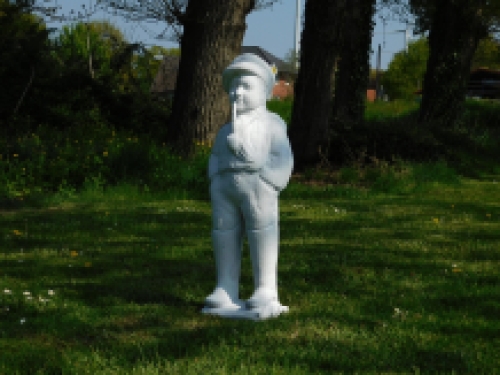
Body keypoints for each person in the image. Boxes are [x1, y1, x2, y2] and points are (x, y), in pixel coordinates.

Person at [205, 53, 294, 311]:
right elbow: (215, 155)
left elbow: (282, 158)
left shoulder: (272, 125)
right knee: (224, 232)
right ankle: (225, 287)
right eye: (234, 87)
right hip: (225, 188)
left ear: (265, 92)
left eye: (246, 86)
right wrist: (215, 180)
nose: (238, 92)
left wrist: (267, 182)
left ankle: (265, 288)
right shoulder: (225, 130)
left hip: (257, 187)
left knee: (261, 232)